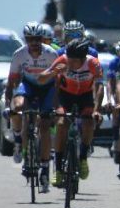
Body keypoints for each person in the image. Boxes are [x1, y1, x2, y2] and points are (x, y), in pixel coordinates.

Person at [37, 39, 104, 188]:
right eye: (69, 59)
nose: (70, 63)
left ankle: (83, 157)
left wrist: (97, 109)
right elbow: (40, 79)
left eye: (74, 61)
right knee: (61, 124)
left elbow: (100, 87)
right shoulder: (63, 60)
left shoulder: (93, 63)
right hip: (65, 96)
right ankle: (58, 169)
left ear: (82, 58)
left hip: (85, 96)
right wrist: (54, 72)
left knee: (88, 122)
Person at [5, 22, 59, 191]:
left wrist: (56, 106)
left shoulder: (51, 54)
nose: (34, 42)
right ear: (26, 39)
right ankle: (18, 139)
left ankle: (45, 168)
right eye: (30, 39)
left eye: (37, 38)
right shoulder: (19, 54)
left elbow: (58, 81)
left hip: (47, 88)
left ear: (42, 38)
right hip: (28, 85)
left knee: (44, 126)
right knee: (18, 107)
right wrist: (8, 104)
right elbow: (12, 81)